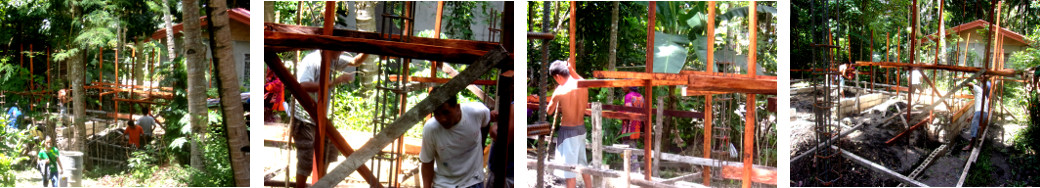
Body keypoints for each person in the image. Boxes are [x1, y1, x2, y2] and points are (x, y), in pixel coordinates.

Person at [289, 50, 368, 187]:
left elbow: (356, 61)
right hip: (304, 118)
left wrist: (368, 49)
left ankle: (320, 184)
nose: (342, 51)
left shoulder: (333, 58)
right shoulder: (312, 60)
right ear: (329, 48)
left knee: (327, 153)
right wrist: (334, 82)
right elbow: (303, 85)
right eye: (340, 48)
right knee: (306, 159)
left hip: (320, 116)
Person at [420, 95, 492, 188]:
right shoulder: (431, 129)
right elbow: (427, 162)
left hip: (473, 181)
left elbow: (486, 122)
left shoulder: (477, 112)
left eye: (446, 112)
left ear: (457, 108)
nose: (442, 119)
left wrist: (481, 145)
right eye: (437, 114)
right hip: (444, 184)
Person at [545, 60, 592, 188]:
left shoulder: (560, 90)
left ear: (558, 76)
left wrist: (553, 99)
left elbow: (549, 111)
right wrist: (571, 69)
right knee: (583, 164)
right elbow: (579, 77)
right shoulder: (582, 84)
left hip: (568, 131)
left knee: (569, 171)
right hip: (581, 129)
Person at [621, 86, 643, 171]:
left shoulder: (628, 96)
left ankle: (634, 172)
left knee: (628, 152)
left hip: (628, 129)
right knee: (633, 149)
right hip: (637, 127)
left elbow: (628, 112)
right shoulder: (641, 96)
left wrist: (618, 113)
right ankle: (634, 171)